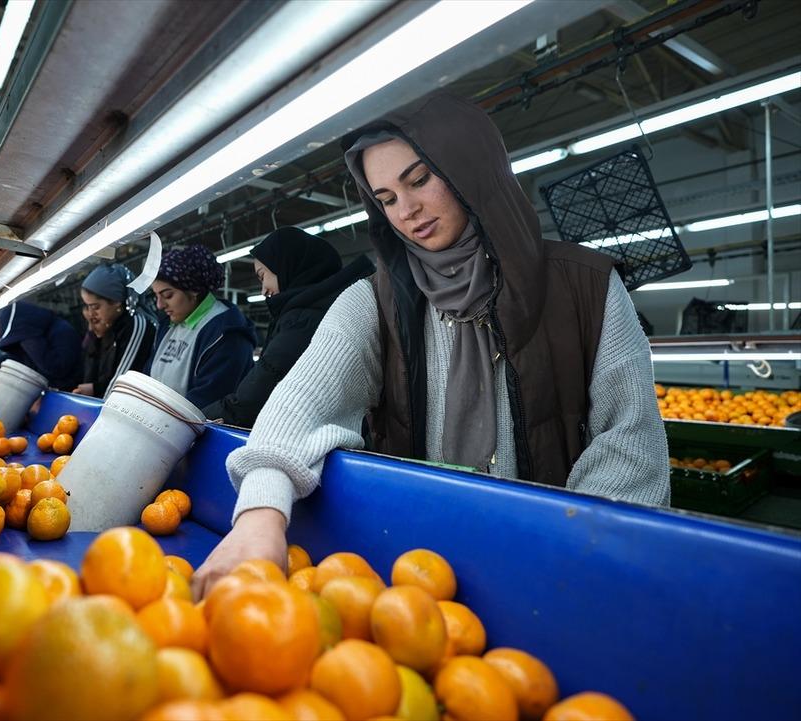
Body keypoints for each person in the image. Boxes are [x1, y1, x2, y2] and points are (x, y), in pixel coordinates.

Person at [192, 92, 671, 597]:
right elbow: (300, 405)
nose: (407, 211)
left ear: (471, 169)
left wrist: (564, 559)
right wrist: (260, 515)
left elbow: (630, 446)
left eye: (419, 180)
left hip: (555, 572)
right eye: (386, 199)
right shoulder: (373, 303)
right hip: (417, 576)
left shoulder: (587, 288)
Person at [203, 227, 374, 426]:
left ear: (287, 267)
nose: (263, 290)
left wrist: (198, 418)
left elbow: (254, 397)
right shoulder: (323, 310)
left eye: (262, 276)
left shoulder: (304, 321)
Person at [146, 244, 257, 409]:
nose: (160, 305)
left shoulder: (227, 334)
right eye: (156, 296)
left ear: (194, 290)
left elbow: (208, 402)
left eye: (168, 295)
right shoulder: (168, 326)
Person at [73, 263, 156, 398]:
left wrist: (96, 389)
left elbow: (124, 382)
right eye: (87, 307)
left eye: (96, 307)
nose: (91, 313)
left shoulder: (136, 325)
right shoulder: (109, 326)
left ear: (116, 301)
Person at [0, 301, 85, 390]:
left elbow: (57, 369)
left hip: (71, 393)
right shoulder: (33, 335)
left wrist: (29, 339)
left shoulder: (62, 331)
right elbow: (16, 358)